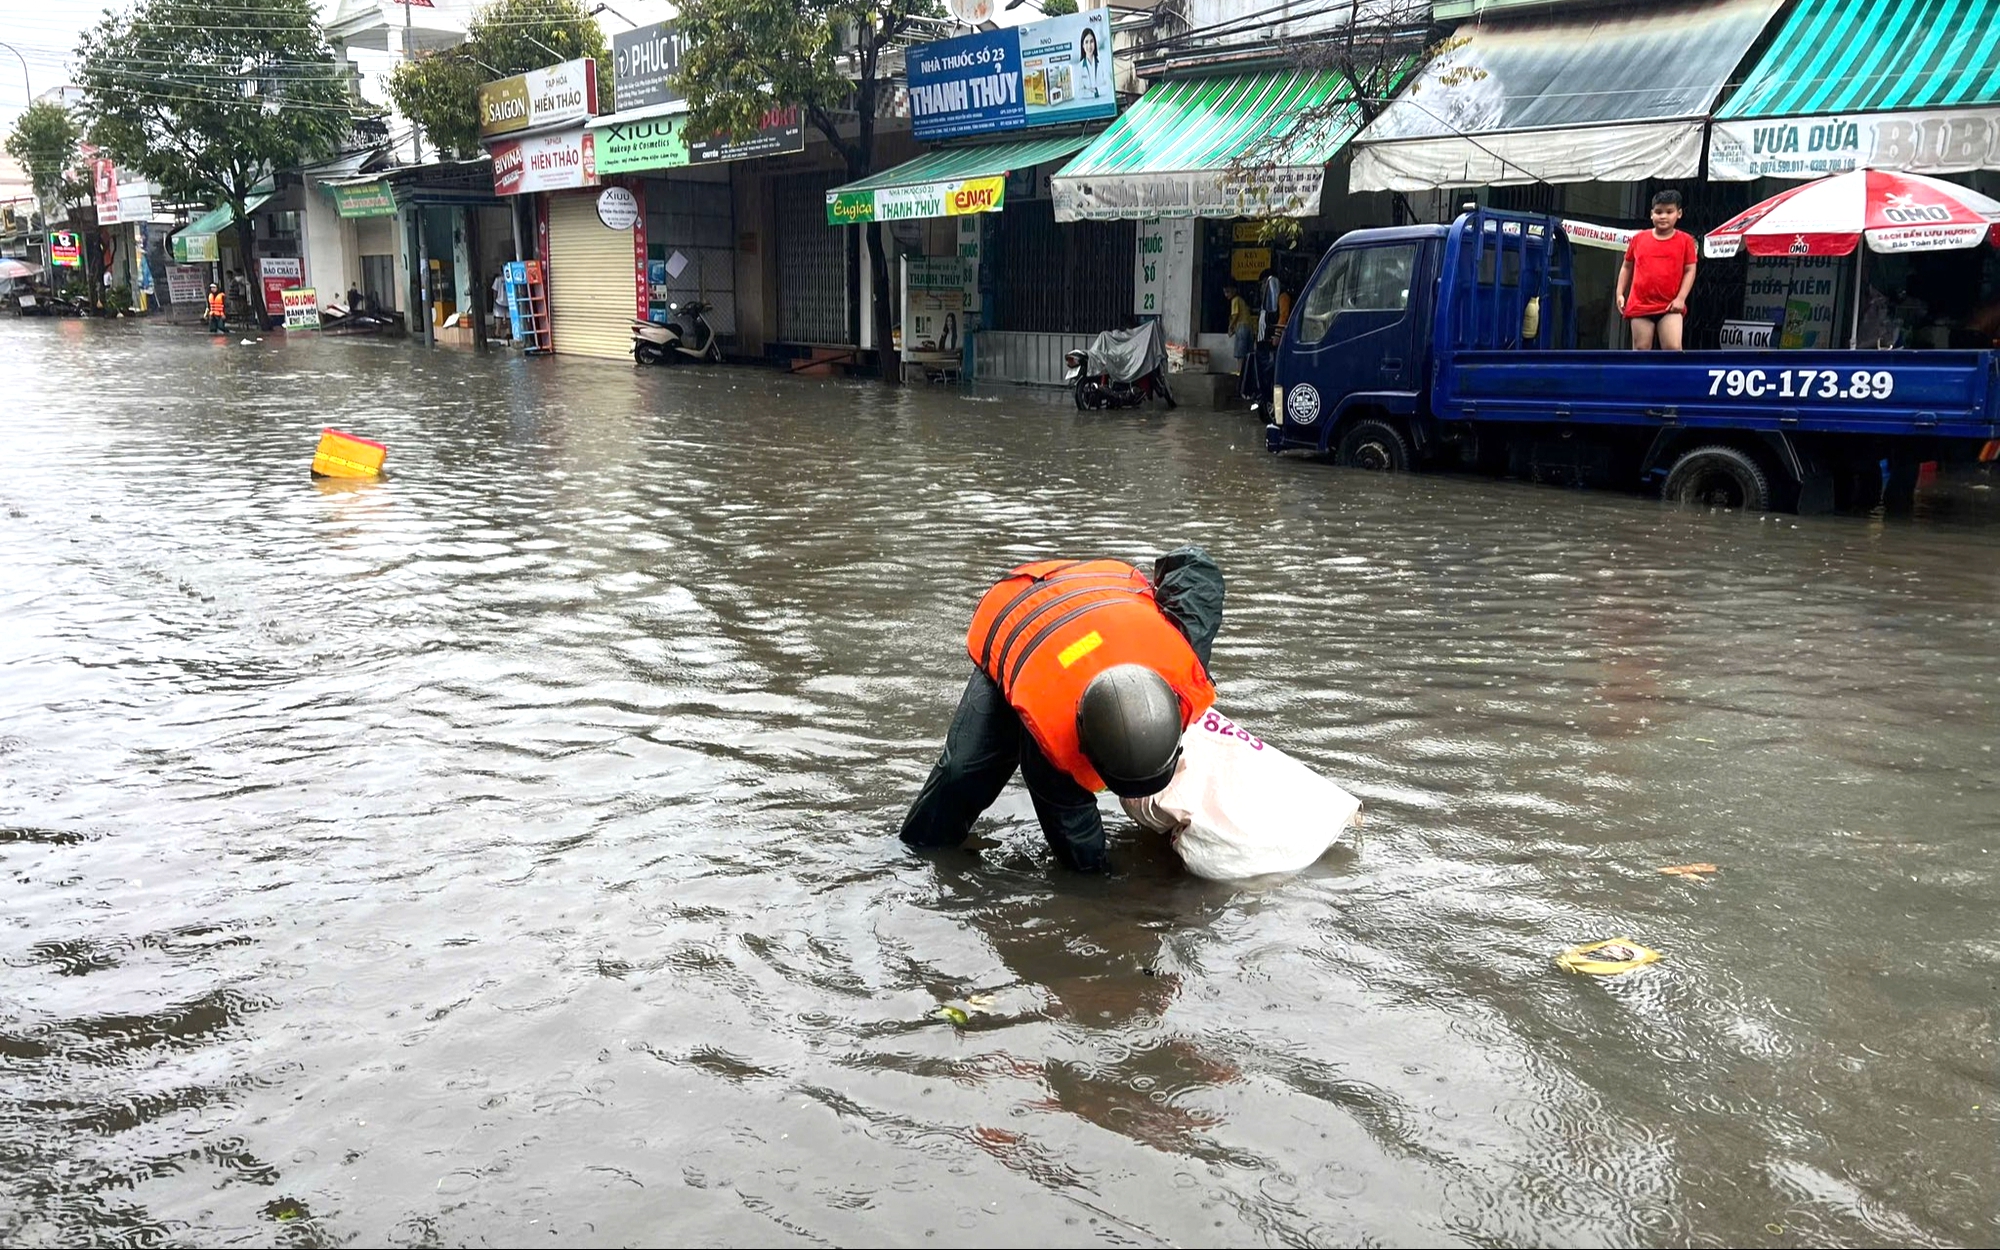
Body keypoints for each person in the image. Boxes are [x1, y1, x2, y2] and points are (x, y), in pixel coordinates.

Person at [900, 548, 1226, 874]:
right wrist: (1101, 884)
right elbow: (1073, 835)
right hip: (1023, 614)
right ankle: (917, 856)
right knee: (963, 774)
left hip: (1099, 598)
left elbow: (1195, 566)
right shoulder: (1052, 738)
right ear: (1084, 744)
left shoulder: (1184, 662)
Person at [1617, 189, 1698, 350]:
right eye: (1659, 212)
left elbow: (1690, 269)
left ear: (1679, 213)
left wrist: (1681, 298)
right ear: (1651, 214)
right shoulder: (1638, 239)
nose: (1663, 216)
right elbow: (1626, 266)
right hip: (1640, 305)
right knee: (1641, 349)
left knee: (1673, 348)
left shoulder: (1686, 241)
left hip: (1670, 305)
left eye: (1669, 212)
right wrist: (1619, 293)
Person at [1226, 283, 1254, 394]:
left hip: (1241, 327)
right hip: (1249, 328)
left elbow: (1235, 315)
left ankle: (1240, 379)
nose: (1226, 295)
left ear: (1234, 290)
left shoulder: (1235, 300)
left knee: (1240, 355)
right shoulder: (1242, 301)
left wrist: (1230, 327)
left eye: (1228, 292)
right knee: (1247, 354)